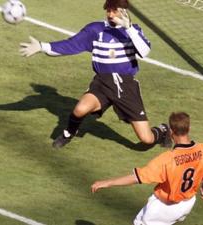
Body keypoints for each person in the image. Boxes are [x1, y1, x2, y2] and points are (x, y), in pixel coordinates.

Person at [19, 0, 171, 149]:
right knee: (79, 109)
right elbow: (70, 45)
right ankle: (68, 133)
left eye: (114, 10)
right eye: (108, 10)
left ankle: (163, 130)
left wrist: (129, 27)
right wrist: (42, 46)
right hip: (102, 83)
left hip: (126, 86)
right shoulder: (95, 30)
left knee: (146, 139)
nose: (110, 14)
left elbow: (145, 52)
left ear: (124, 11)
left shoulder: (134, 30)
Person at [91, 112, 203, 225]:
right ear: (188, 129)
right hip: (187, 204)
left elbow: (137, 177)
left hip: (163, 207)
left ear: (171, 132)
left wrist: (107, 182)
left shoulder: (167, 160)